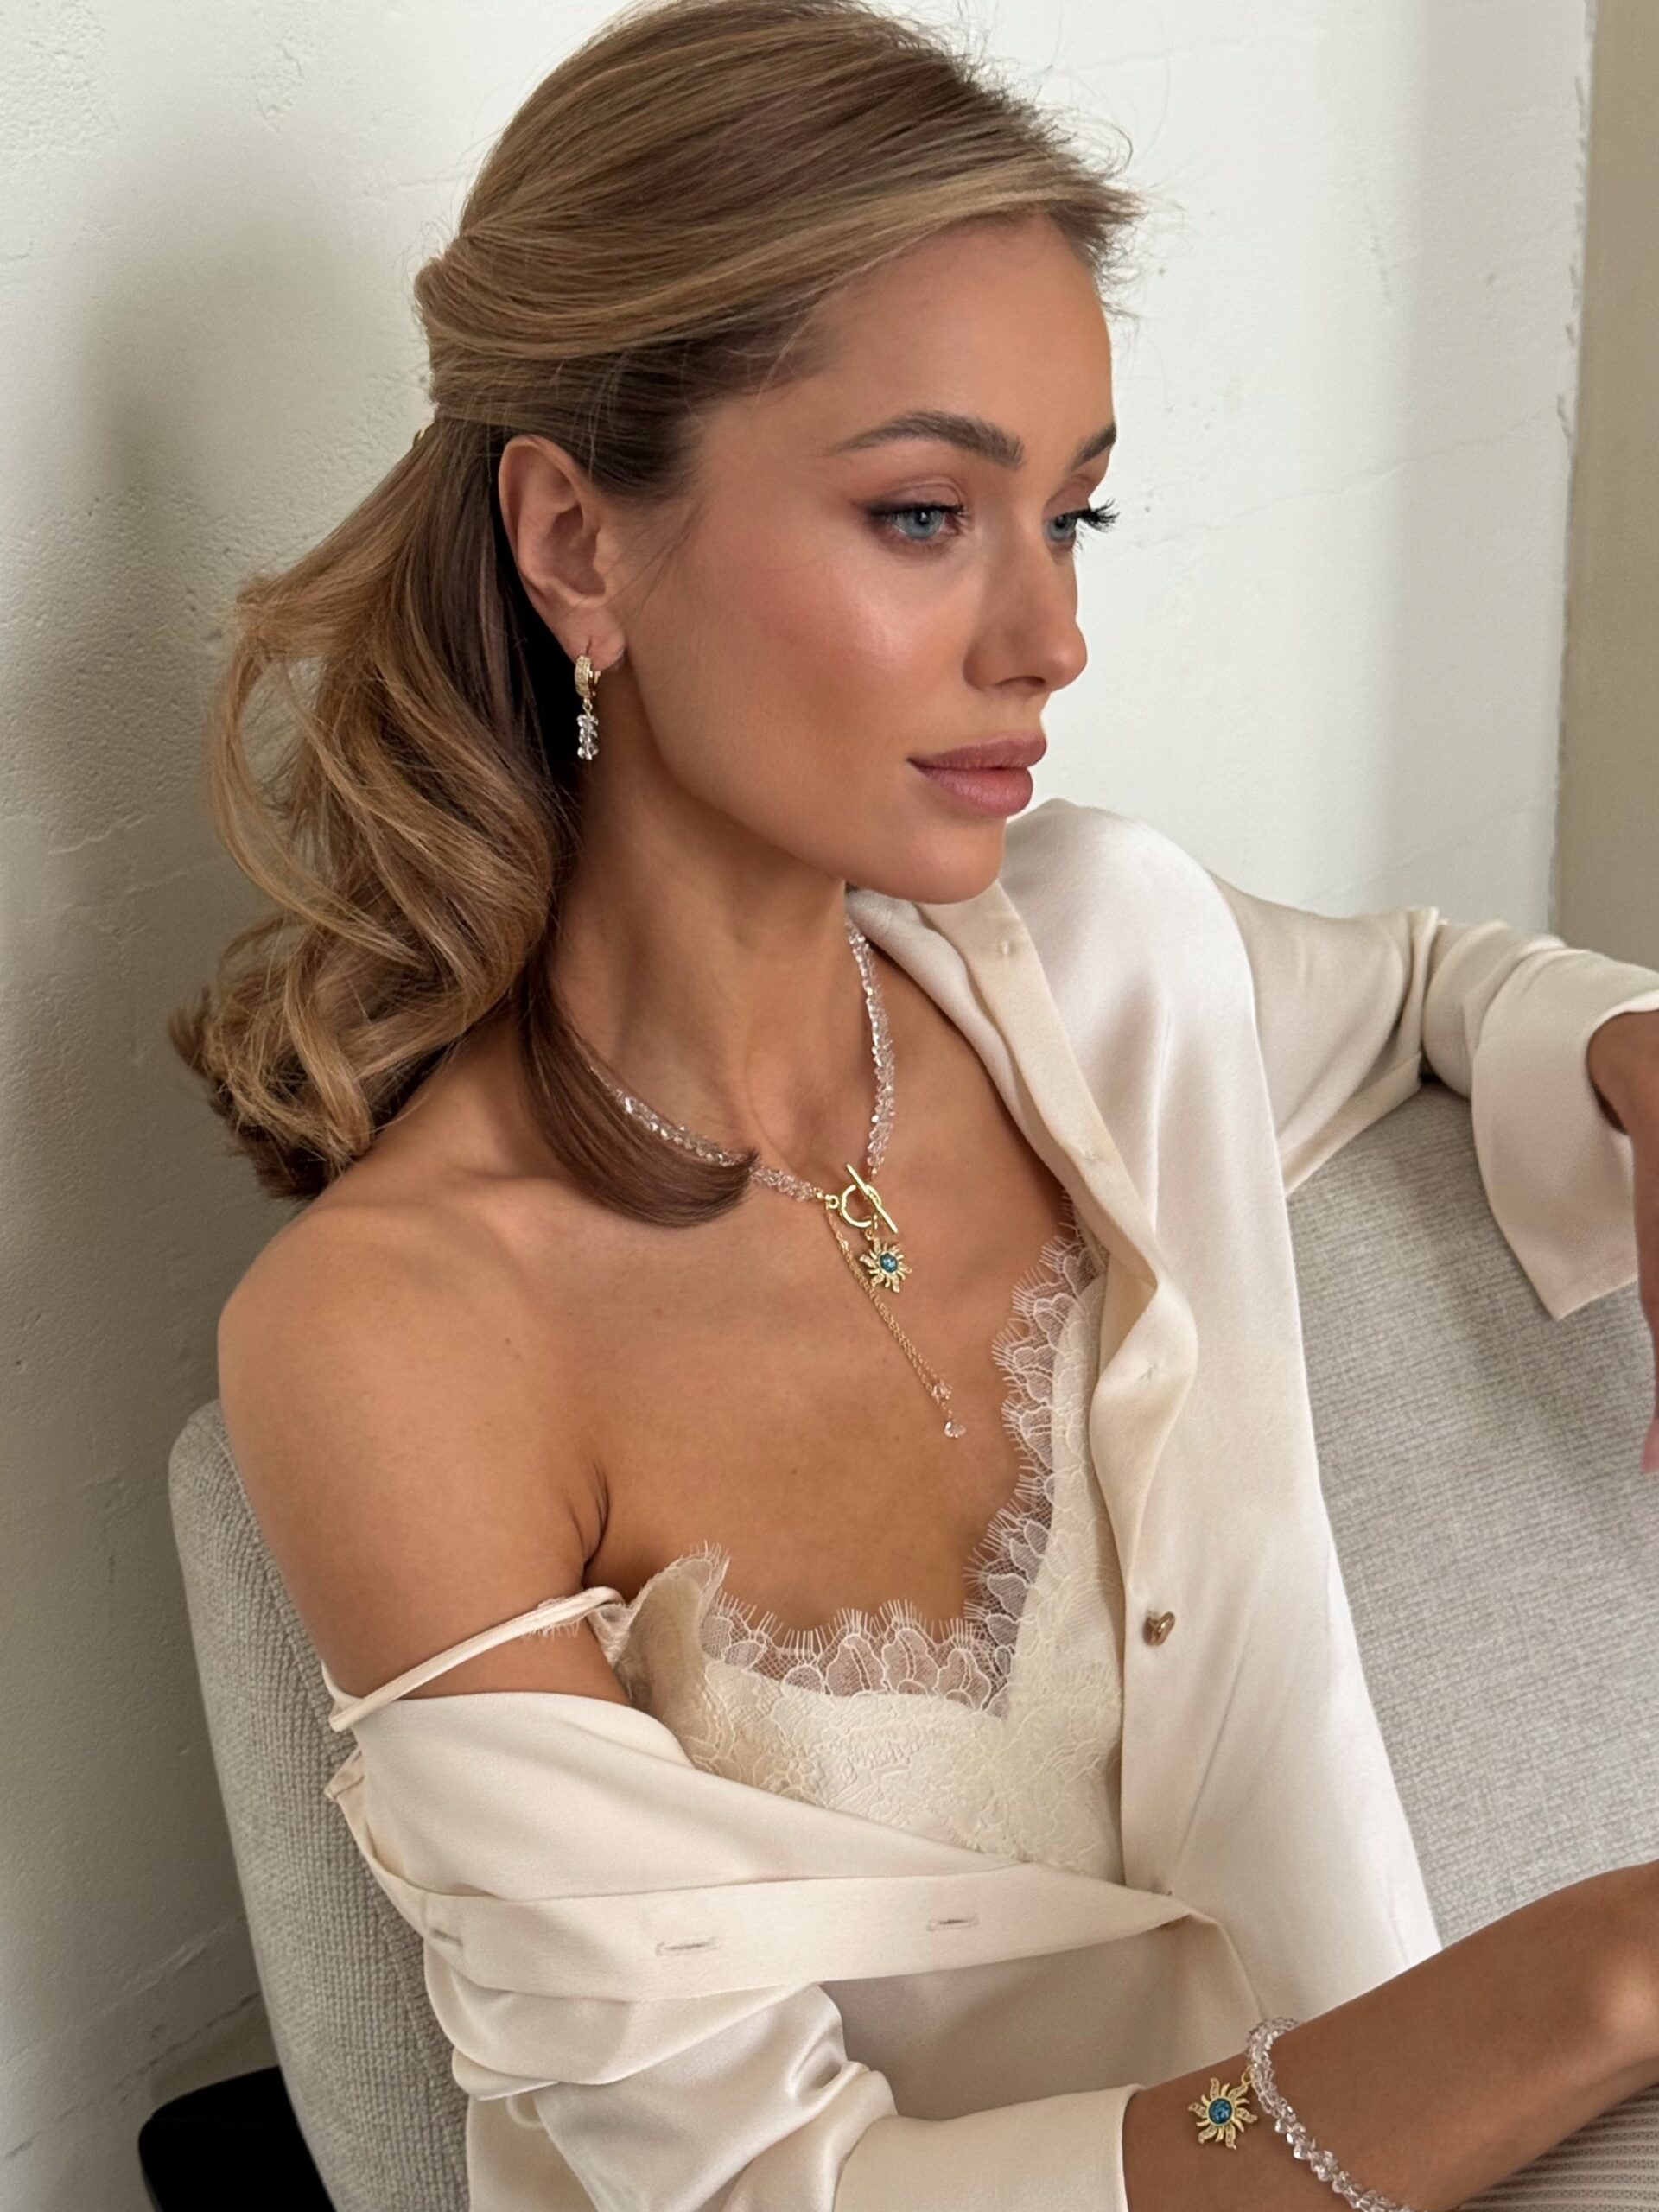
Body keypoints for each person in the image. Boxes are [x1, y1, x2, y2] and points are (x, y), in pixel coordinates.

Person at [175, 1, 1659, 2205]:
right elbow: (766, 2181)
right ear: (576, 541)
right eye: (924, 513)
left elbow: (1456, 991)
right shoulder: (395, 1340)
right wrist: (1588, 1985)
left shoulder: (1107, 955)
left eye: (1076, 513)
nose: (1051, 635)